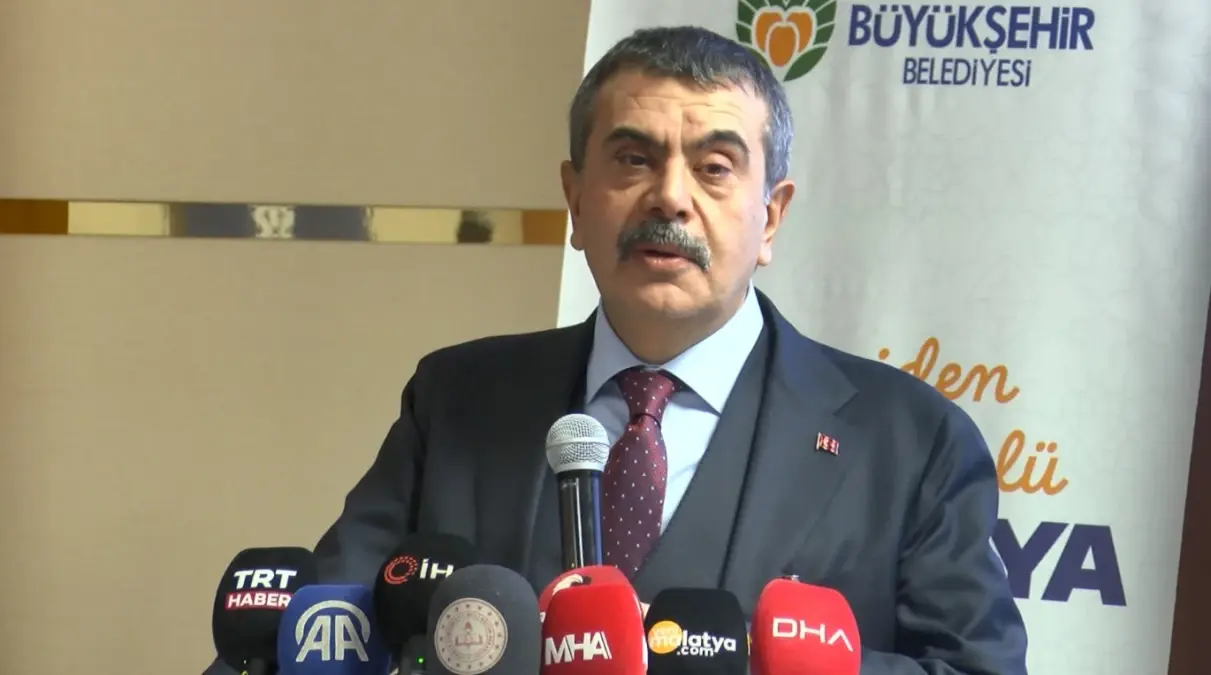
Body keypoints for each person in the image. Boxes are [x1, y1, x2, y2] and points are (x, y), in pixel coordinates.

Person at [203, 25, 1027, 674]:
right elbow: (319, 634)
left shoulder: (908, 440)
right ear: (574, 198)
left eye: (714, 167)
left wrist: (748, 660)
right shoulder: (456, 398)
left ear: (769, 216)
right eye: (633, 159)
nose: (669, 196)